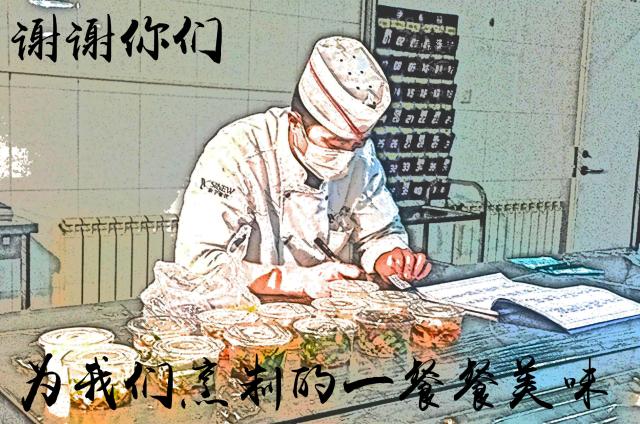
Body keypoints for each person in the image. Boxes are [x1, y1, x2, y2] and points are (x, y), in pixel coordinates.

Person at [175, 36, 431, 299]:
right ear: (295, 123)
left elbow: (379, 233)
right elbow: (198, 265)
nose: (346, 155)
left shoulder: (361, 157)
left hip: (328, 310)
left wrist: (389, 257)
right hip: (242, 309)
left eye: (357, 143)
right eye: (334, 143)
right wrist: (296, 279)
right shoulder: (237, 151)